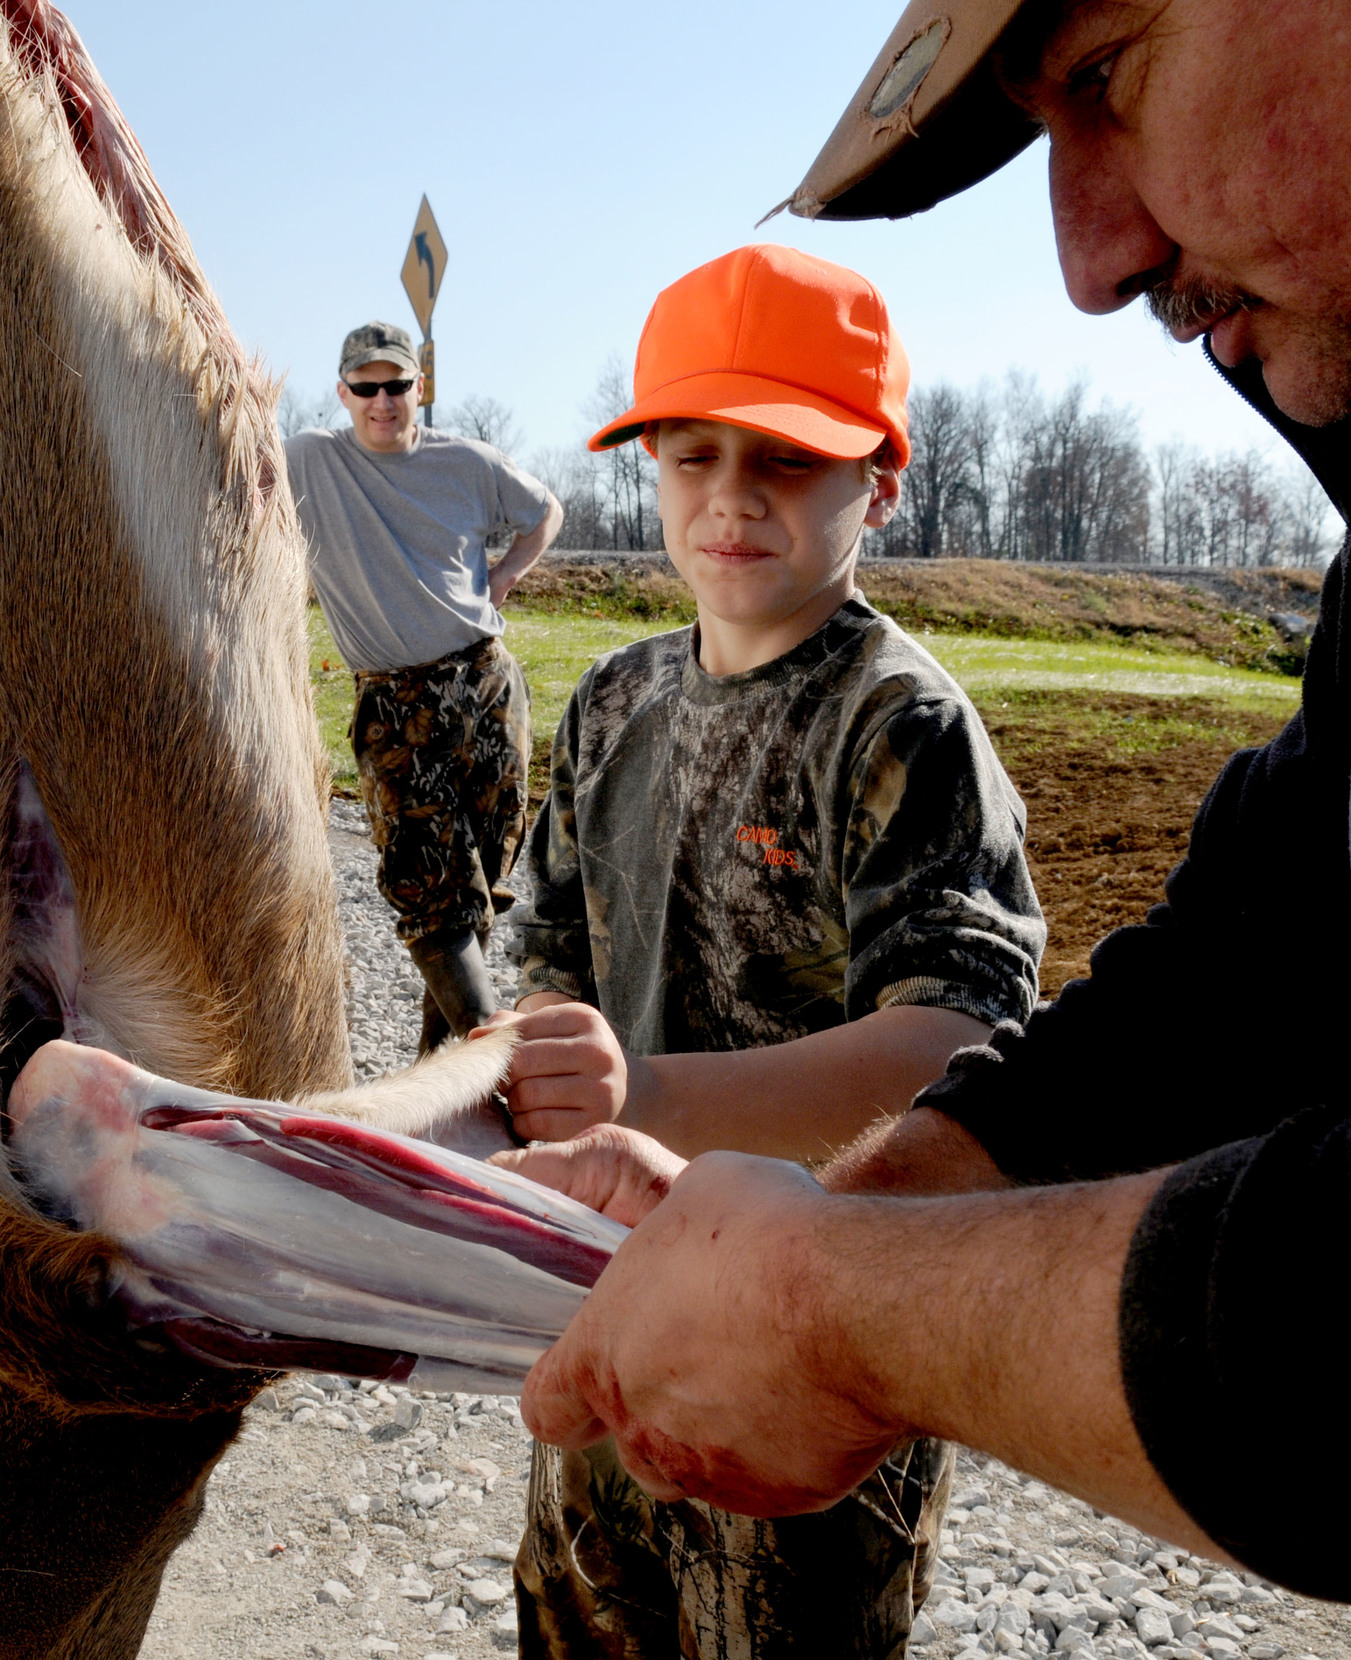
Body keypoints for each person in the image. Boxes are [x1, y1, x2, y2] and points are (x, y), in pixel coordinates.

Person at [499, 4, 1351, 1654]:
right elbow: (1259, 970)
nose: (1091, 255)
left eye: (1112, 75)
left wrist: (838, 1312)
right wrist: (848, 1219)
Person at [490, 244, 1045, 1659]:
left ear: (881, 482)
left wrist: (643, 1100)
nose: (730, 497)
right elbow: (542, 968)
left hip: (812, 1344)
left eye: (788, 460)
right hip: (609, 1300)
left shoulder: (898, 726)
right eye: (692, 454)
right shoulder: (613, 702)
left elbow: (958, 1050)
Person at [286, 322, 566, 1051]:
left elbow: (545, 513)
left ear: (420, 389)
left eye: (398, 385)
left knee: (480, 886)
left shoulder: (468, 464)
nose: (384, 401)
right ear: (344, 393)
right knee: (427, 888)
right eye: (368, 387)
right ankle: (493, 1065)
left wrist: (505, 575)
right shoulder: (312, 460)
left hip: (486, 688)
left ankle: (437, 1070)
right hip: (394, 703)